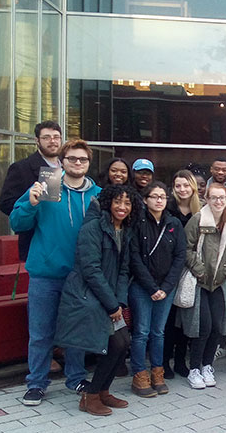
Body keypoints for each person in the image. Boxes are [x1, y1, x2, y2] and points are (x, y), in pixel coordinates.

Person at [11, 139, 102, 406]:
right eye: (72, 158)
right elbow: (18, 222)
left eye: (82, 159)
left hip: (80, 275)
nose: (77, 163)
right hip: (46, 274)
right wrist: (31, 203)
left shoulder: (97, 193)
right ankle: (37, 383)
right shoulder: (46, 186)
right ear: (62, 161)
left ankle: (75, 377)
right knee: (41, 333)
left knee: (76, 332)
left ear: (88, 163)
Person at [54, 185, 140, 416]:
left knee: (123, 343)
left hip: (110, 297)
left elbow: (124, 271)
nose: (122, 207)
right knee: (115, 344)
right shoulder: (93, 228)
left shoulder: (126, 230)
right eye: (117, 202)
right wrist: (111, 305)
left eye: (127, 203)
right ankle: (89, 397)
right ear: (108, 203)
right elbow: (91, 270)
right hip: (88, 295)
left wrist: (119, 302)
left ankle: (102, 390)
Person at [128, 182, 187, 397]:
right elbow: (134, 257)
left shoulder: (173, 223)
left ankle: (157, 371)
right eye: (154, 196)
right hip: (142, 287)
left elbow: (180, 256)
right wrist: (152, 287)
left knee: (158, 332)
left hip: (166, 288)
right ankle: (139, 374)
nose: (159, 200)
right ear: (145, 200)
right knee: (141, 332)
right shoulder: (137, 223)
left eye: (162, 196)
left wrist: (166, 287)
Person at [179, 182, 226, 390]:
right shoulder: (198, 220)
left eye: (222, 198)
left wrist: (225, 272)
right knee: (202, 326)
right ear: (206, 199)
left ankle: (207, 366)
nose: (218, 202)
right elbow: (186, 248)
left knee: (217, 326)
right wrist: (199, 269)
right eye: (213, 198)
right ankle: (194, 368)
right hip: (199, 282)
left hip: (219, 282)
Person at [0, 120, 63, 261]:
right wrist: (31, 209)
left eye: (56, 137)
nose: (52, 141)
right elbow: (6, 203)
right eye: (46, 137)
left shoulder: (70, 166)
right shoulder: (21, 168)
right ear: (37, 141)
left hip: (66, 242)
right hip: (36, 242)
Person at [161, 170, 201, 379]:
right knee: (168, 321)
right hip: (169, 270)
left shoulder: (200, 211)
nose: (182, 189)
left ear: (193, 187)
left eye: (186, 185)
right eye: (178, 186)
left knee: (186, 318)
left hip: (191, 271)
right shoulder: (168, 209)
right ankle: (164, 362)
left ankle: (179, 361)